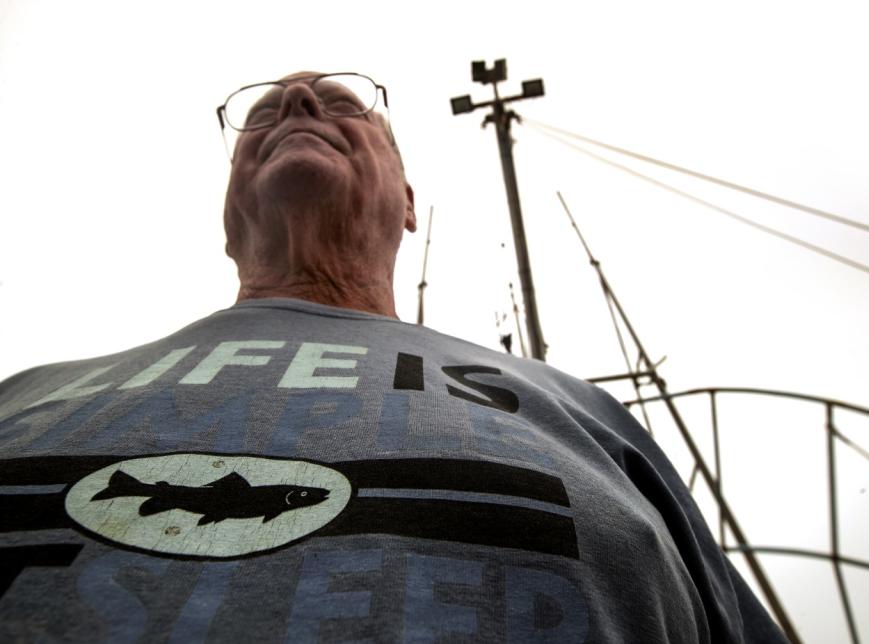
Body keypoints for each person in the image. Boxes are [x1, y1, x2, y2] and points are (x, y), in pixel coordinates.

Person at [0, 71, 788, 643]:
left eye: (339, 103)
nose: (299, 104)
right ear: (228, 216)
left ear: (409, 202)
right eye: (266, 111)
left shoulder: (584, 412)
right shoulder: (20, 393)